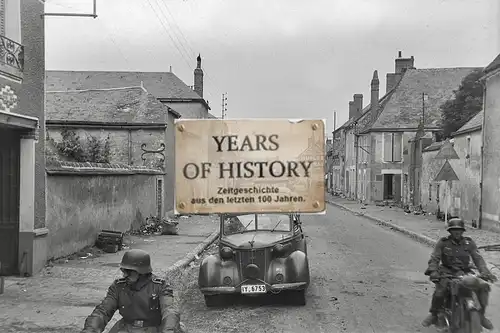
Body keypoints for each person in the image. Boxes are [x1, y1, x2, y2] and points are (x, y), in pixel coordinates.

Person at [81, 249, 185, 333]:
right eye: (124, 270)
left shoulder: (160, 286)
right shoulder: (118, 286)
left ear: (142, 272)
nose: (125, 275)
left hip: (154, 328)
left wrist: (168, 330)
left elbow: (169, 311)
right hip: (127, 328)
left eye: (129, 271)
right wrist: (90, 329)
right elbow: (103, 311)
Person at [422, 218, 497, 330]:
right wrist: (433, 271)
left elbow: (478, 258)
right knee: (440, 291)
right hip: (447, 272)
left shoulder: (469, 243)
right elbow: (435, 258)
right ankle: (434, 314)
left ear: (463, 231)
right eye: (454, 230)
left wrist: (485, 272)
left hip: (465, 272)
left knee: (484, 287)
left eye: (459, 230)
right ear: (450, 231)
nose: (457, 232)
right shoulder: (443, 243)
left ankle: (481, 316)